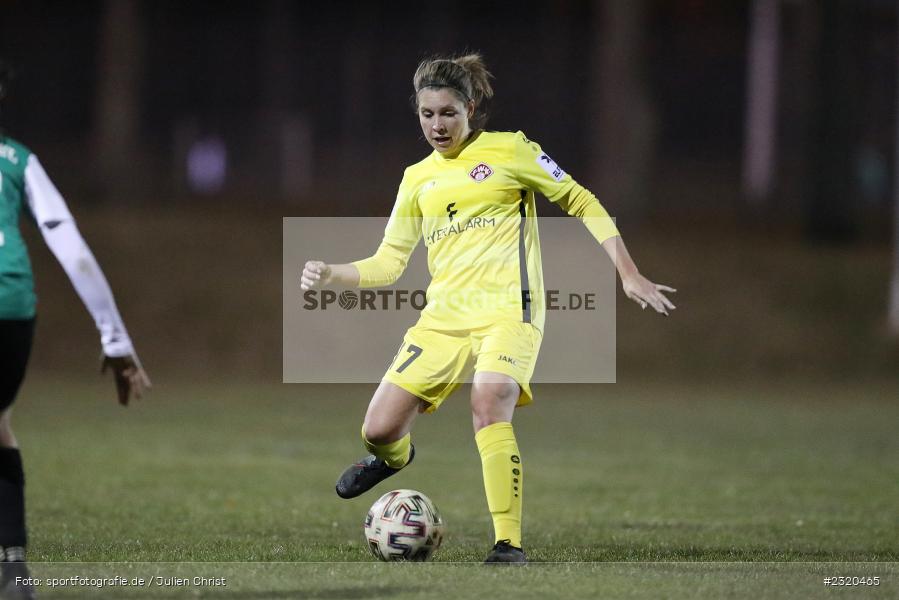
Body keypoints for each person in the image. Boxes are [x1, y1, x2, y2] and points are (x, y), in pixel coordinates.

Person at [300, 54, 675, 564]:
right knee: (378, 429)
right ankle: (394, 458)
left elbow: (580, 199)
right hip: (443, 319)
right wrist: (332, 272)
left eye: (448, 113)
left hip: (509, 309)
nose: (438, 125)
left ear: (470, 108)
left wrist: (627, 272)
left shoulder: (511, 150)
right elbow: (388, 263)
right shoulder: (417, 178)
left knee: (490, 399)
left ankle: (508, 544)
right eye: (428, 115)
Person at [0, 60, 150, 599]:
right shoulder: (17, 159)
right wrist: (114, 337)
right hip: (12, 306)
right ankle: (14, 572)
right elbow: (70, 246)